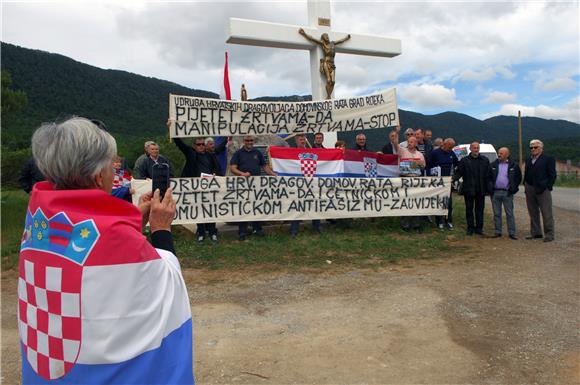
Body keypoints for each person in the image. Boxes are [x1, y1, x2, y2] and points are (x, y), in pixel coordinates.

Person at [20, 117, 193, 384]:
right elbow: (166, 279)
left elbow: (95, 250)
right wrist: (160, 229)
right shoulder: (112, 234)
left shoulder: (40, 219)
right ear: (99, 175)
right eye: (111, 166)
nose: (115, 172)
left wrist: (133, 222)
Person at [174, 136, 222, 243]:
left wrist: (215, 173)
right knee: (198, 210)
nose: (200, 146)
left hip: (209, 187)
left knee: (210, 209)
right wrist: (172, 130)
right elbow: (179, 143)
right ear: (194, 146)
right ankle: (201, 233)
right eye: (198, 144)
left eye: (202, 144)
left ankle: (212, 232)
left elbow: (217, 168)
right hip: (195, 188)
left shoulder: (210, 156)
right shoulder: (190, 153)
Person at [230, 135, 276, 241]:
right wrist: (242, 174)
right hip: (243, 185)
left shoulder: (257, 153)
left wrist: (273, 174)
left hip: (257, 185)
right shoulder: (238, 153)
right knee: (244, 207)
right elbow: (233, 168)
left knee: (257, 206)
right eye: (247, 140)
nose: (249, 142)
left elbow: (264, 166)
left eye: (251, 140)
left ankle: (257, 229)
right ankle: (242, 231)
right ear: (244, 141)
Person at [298, 28, 351, 99]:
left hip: (332, 64)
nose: (327, 37)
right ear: (323, 38)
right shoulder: (323, 44)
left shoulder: (332, 43)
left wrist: (346, 38)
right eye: (325, 36)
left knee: (333, 81)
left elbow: (340, 41)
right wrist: (304, 34)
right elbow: (312, 39)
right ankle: (328, 96)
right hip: (326, 63)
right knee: (328, 80)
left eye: (327, 36)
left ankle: (329, 96)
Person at [453, 141, 492, 235]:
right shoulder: (464, 160)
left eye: (477, 148)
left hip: (481, 189)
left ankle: (479, 228)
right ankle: (470, 228)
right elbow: (459, 173)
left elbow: (488, 174)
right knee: (469, 209)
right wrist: (451, 179)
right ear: (470, 149)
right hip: (468, 189)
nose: (476, 149)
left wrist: (489, 187)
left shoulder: (485, 160)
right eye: (474, 148)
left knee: (479, 210)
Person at [524, 139, 557, 242]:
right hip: (530, 188)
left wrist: (548, 186)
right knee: (533, 212)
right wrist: (525, 185)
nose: (533, 149)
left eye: (535, 147)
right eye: (531, 147)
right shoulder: (529, 159)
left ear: (541, 148)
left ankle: (549, 234)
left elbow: (552, 174)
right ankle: (536, 233)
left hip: (543, 189)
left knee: (546, 212)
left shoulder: (548, 159)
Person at [290, 134, 322, 236]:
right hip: (297, 184)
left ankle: (316, 228)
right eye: (300, 139)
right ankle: (294, 230)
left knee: (314, 205)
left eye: (304, 139)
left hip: (311, 183)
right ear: (296, 141)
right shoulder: (291, 152)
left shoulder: (311, 151)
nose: (303, 141)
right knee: (297, 207)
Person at [394, 135, 426, 232]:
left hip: (416, 180)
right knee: (405, 202)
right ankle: (405, 225)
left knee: (416, 202)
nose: (410, 143)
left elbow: (424, 165)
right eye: (408, 141)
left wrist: (420, 163)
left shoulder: (420, 154)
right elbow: (395, 144)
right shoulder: (403, 151)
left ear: (416, 143)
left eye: (412, 142)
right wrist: (397, 132)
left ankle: (416, 225)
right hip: (405, 179)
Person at [489, 147, 522, 240]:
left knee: (509, 213)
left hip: (507, 193)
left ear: (507, 154)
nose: (499, 155)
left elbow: (518, 178)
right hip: (495, 192)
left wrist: (513, 188)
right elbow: (488, 177)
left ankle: (512, 232)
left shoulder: (513, 165)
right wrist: (490, 188)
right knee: (496, 213)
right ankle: (498, 231)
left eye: (501, 153)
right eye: (499, 153)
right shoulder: (493, 165)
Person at [429, 138, 459, 230]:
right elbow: (429, 165)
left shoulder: (451, 153)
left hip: (448, 182)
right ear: (444, 144)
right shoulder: (435, 153)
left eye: (452, 147)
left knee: (448, 203)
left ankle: (449, 221)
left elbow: (457, 164)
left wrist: (454, 178)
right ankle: (439, 222)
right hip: (438, 182)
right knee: (439, 202)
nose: (451, 148)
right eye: (449, 146)